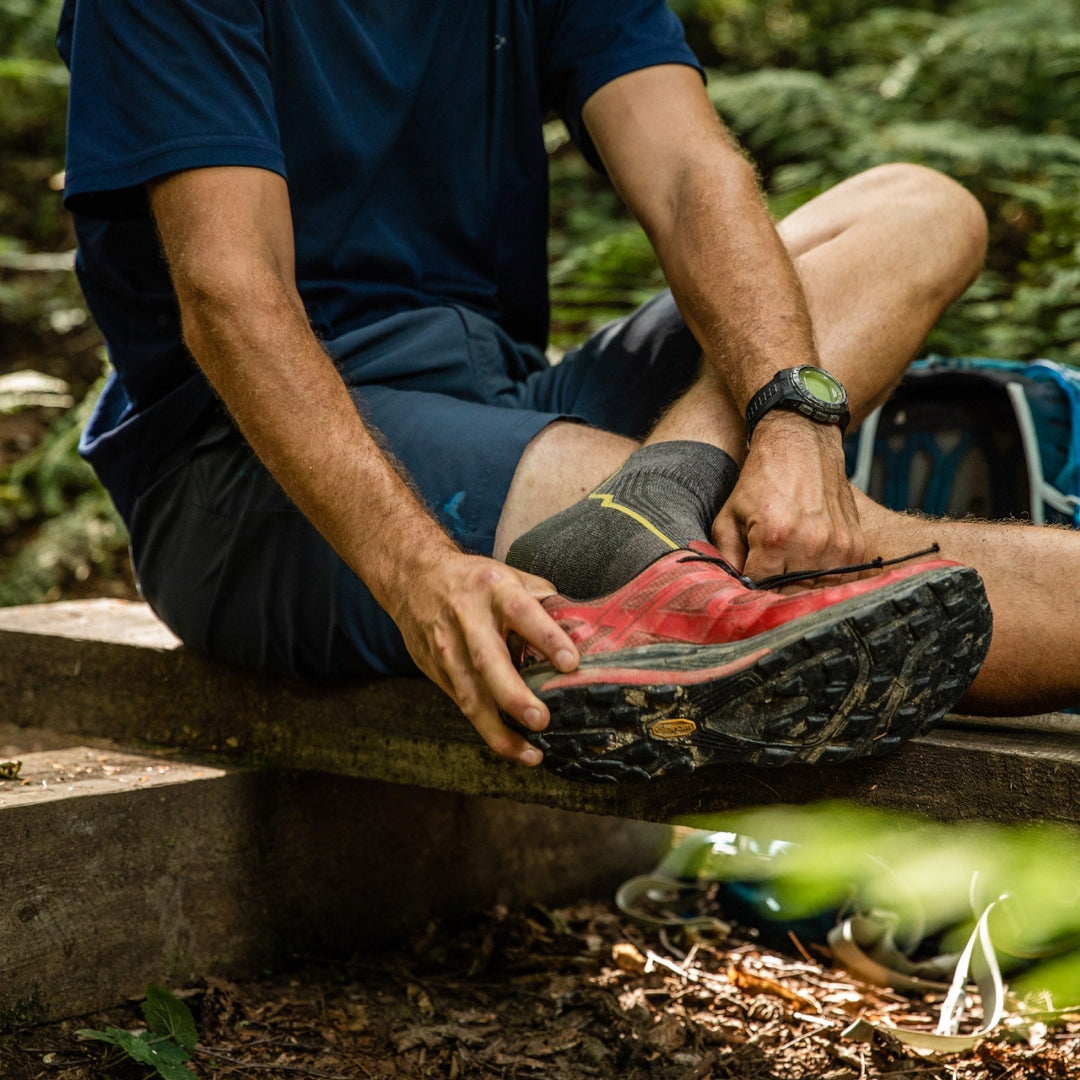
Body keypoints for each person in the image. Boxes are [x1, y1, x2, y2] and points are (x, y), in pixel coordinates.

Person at [57, 1, 1078, 783]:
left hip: (505, 399)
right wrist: (419, 571)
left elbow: (687, 172)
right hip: (258, 473)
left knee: (918, 210)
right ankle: (641, 522)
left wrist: (794, 413)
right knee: (806, 571)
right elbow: (232, 293)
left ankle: (656, 495)